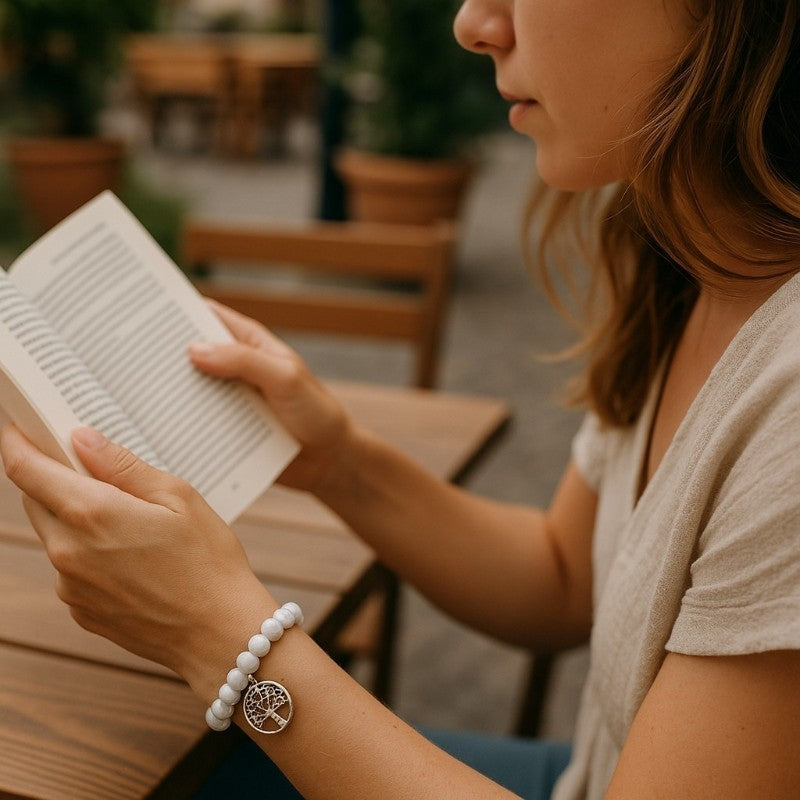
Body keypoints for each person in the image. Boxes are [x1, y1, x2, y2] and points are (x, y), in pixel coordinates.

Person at [2, 0, 800, 797]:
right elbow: (561, 578)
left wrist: (220, 637)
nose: (473, 22)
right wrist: (337, 462)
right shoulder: (689, 261)